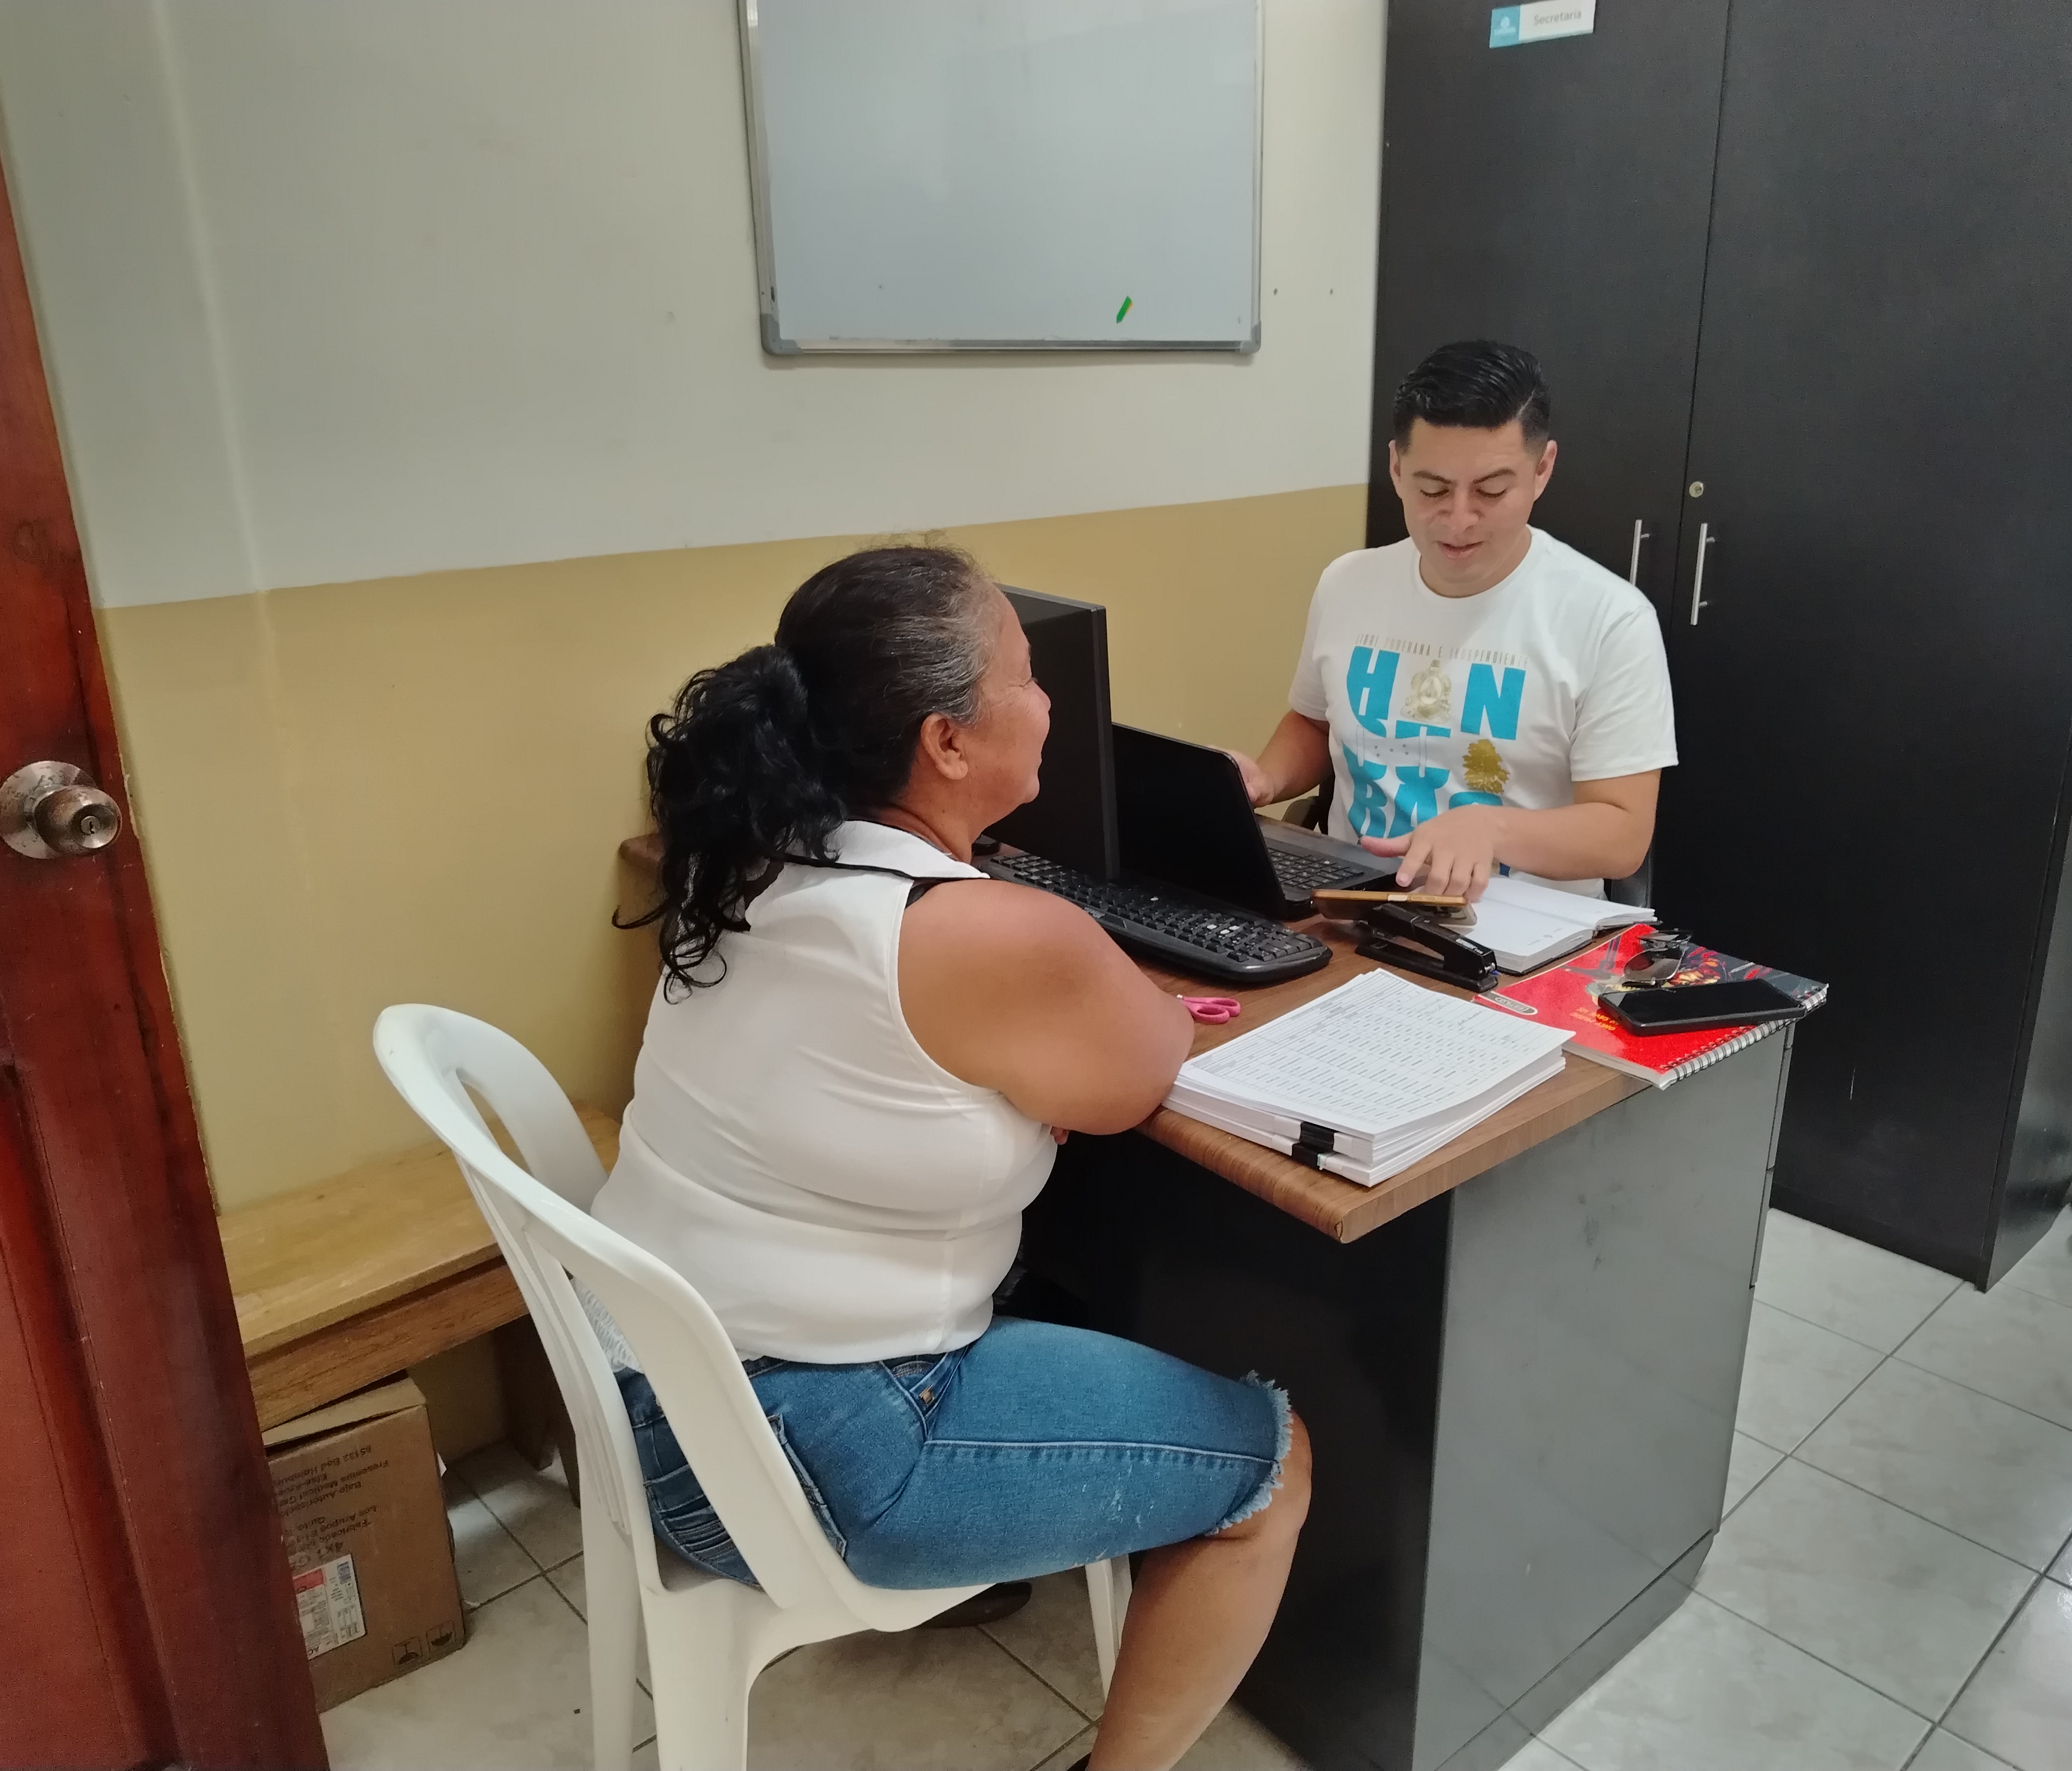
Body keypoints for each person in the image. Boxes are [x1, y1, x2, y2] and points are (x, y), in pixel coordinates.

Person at [595, 545, 1310, 1771]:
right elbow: (1139, 1067)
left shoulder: (746, 851)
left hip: (656, 1403)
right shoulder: (982, 934)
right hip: (809, 1454)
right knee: (1274, 1468)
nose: (1048, 704)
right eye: (1023, 677)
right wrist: (1052, 1041)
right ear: (946, 742)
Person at [1229, 339, 1676, 900]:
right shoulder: (1348, 584)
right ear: (1396, 468)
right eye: (1432, 489)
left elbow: (1622, 833)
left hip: (1519, 927)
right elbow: (1315, 724)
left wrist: (1492, 830)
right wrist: (1265, 779)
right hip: (1352, 904)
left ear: (1542, 470)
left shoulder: (1611, 620)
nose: (1459, 519)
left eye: (1491, 490)